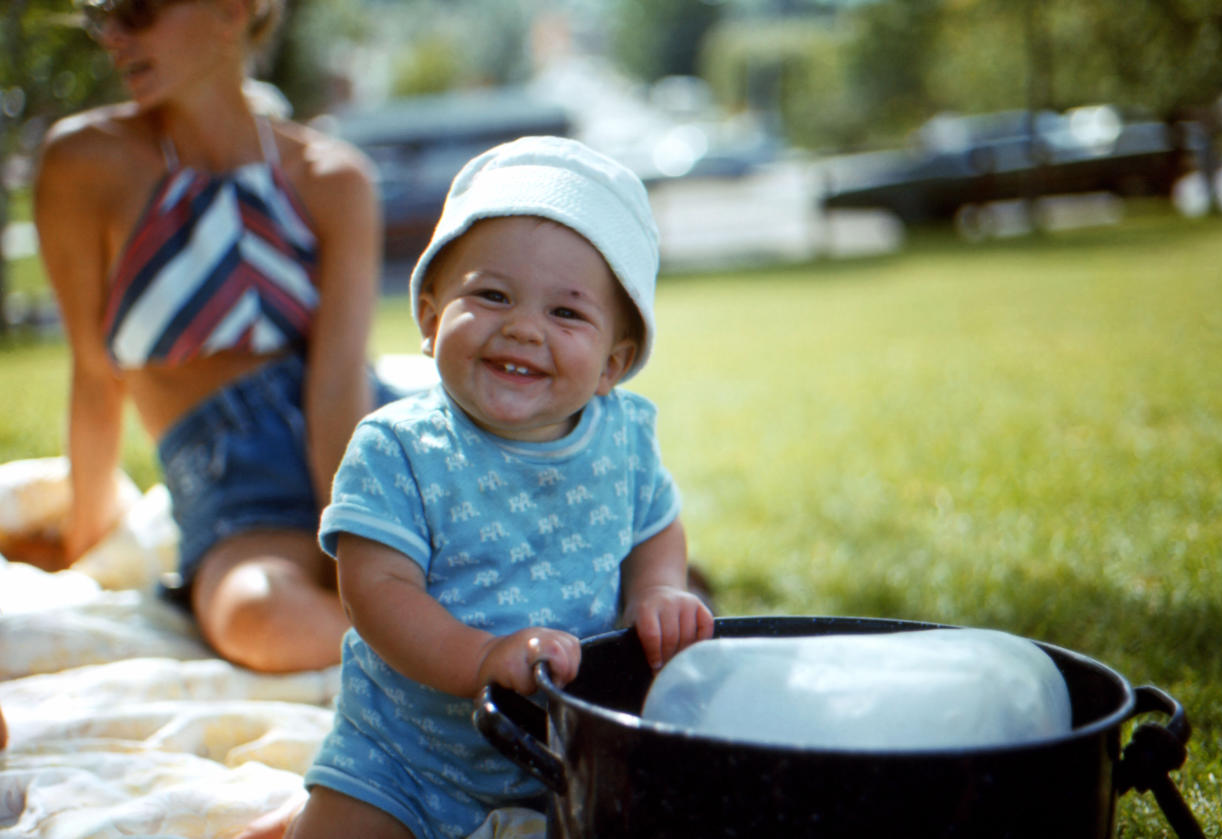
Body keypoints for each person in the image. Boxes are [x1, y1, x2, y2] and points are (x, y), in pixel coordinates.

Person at [285, 136, 714, 839]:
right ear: (430, 318)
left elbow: (654, 527)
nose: (521, 327)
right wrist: (481, 658)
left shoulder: (625, 437)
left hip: (567, 756)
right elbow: (376, 591)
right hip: (405, 760)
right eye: (491, 295)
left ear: (614, 362)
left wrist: (656, 590)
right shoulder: (399, 446)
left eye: (566, 312)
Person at [33, 0, 388, 673]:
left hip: (359, 452)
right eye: (105, 14)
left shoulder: (334, 179)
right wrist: (84, 553)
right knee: (261, 617)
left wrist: (368, 544)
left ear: (233, 10)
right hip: (233, 488)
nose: (113, 34)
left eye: (138, 11)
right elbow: (93, 374)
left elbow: (340, 384)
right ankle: (450, 667)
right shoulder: (86, 164)